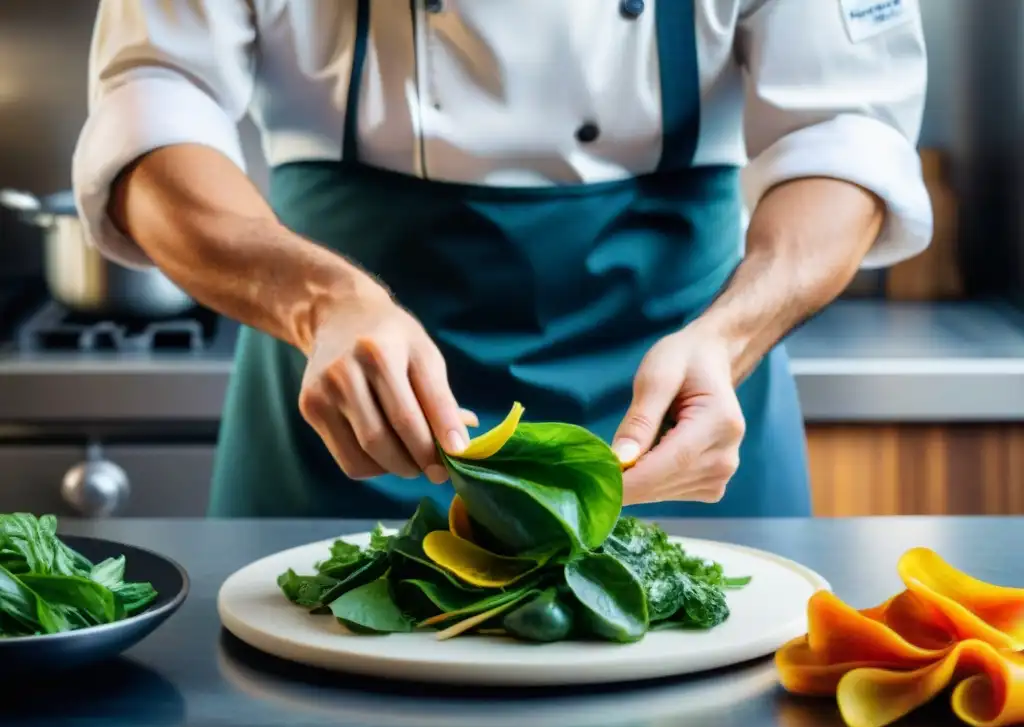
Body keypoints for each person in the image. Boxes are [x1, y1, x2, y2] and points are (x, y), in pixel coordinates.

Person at [73, 0, 931, 519]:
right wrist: (319, 300)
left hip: (685, 419)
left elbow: (844, 134)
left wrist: (733, 338)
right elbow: (154, 110)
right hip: (350, 416)